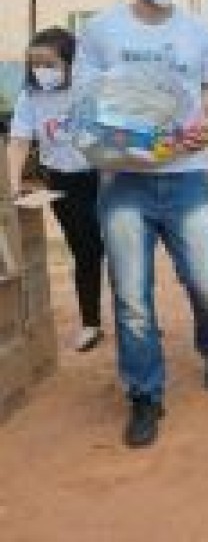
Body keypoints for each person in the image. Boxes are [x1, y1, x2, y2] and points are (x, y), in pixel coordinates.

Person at [74, 0, 208, 448]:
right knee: (131, 296)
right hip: (124, 182)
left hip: (188, 176)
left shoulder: (200, 33)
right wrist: (121, 140)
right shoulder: (100, 31)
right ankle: (144, 395)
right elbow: (86, 104)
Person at [8, 27, 105, 352]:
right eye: (35, 64)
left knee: (122, 251)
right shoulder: (30, 96)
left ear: (70, 62)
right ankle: (91, 324)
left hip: (103, 178)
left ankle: (136, 319)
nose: (41, 71)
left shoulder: (90, 89)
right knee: (85, 252)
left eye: (49, 64)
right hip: (62, 184)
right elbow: (19, 142)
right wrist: (12, 184)